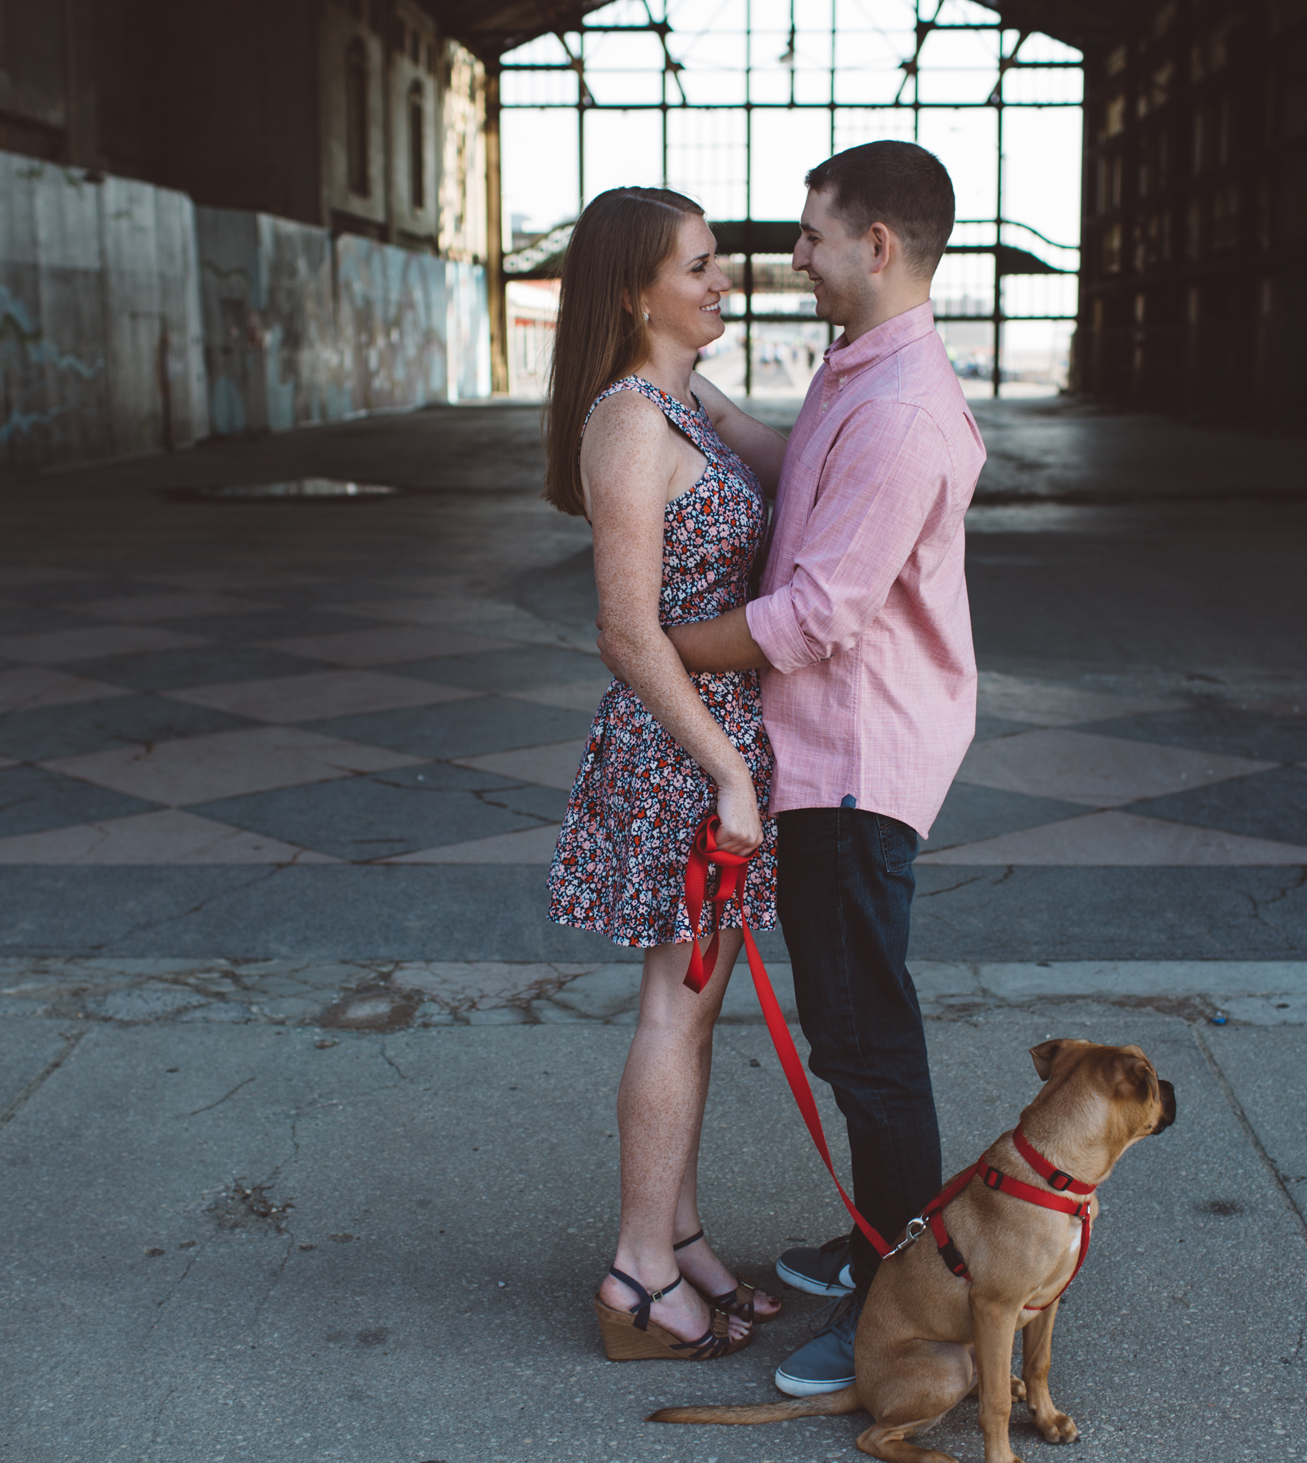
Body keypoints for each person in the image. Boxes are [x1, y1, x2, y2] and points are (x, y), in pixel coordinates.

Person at [642, 140, 984, 1397]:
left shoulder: (901, 408)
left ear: (876, 247)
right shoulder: (863, 370)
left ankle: (909, 1296)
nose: (789, 257)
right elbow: (808, 488)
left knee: (864, 1040)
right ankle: (874, 1237)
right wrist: (708, 407)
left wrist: (660, 647)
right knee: (860, 1031)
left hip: (851, 770)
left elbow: (818, 611)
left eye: (810, 234)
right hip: (829, 755)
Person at [542, 185, 792, 1362]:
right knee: (670, 1005)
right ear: (636, 289)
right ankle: (638, 1273)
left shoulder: (685, 402)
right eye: (697, 267)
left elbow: (790, 460)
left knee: (697, 1010)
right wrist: (728, 776)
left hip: (715, 739)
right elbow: (626, 630)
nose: (720, 280)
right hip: (680, 751)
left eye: (717, 262)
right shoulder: (630, 422)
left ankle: (680, 1232)